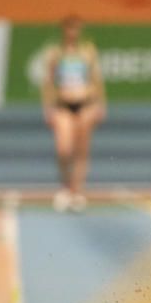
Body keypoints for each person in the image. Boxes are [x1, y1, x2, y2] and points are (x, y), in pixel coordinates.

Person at [40, 15, 106, 213]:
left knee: (81, 150)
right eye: (69, 29)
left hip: (85, 104)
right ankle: (65, 188)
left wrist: (100, 103)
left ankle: (77, 192)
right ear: (64, 30)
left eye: (76, 29)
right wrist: (48, 107)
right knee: (64, 149)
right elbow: (48, 82)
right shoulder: (56, 53)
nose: (73, 33)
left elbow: (96, 79)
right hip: (63, 105)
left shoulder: (87, 52)